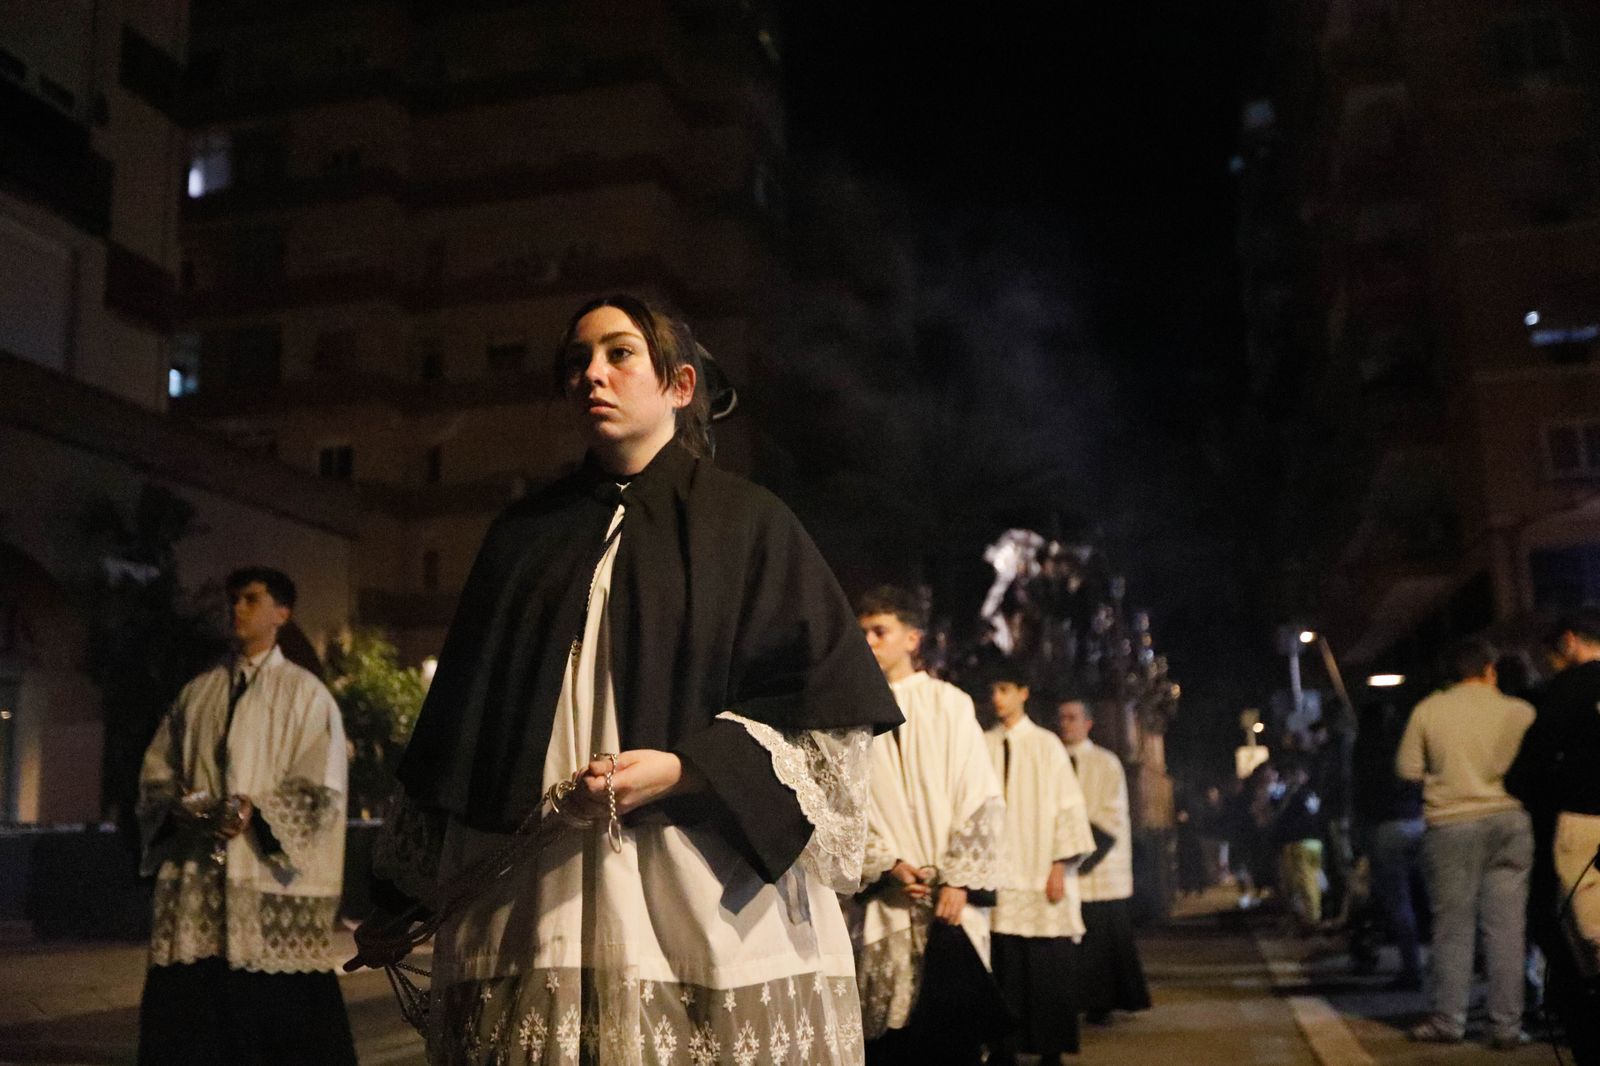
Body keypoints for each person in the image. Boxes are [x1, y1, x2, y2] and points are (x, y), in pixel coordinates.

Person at [361, 294, 902, 1064]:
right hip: (534, 894)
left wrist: (686, 768)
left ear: (680, 385)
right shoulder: (521, 536)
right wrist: (398, 897)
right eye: (577, 360)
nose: (592, 373)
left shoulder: (751, 524)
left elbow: (823, 721)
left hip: (698, 885)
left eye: (619, 354)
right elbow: (459, 723)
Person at [136, 567, 356, 1066]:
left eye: (251, 599)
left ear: (282, 613)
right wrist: (182, 807)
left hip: (268, 883)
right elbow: (156, 774)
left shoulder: (306, 695)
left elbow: (321, 789)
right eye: (233, 598)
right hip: (198, 887)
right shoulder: (198, 693)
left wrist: (257, 812)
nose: (237, 608)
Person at [854, 585, 1007, 1064]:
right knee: (894, 1034)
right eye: (863, 633)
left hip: (948, 899)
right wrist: (887, 863)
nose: (869, 642)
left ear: (912, 639)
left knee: (953, 1028)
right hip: (890, 896)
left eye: (880, 631)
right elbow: (847, 805)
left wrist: (959, 879)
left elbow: (978, 792)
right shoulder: (851, 713)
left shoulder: (949, 704)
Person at [1396, 638, 1535, 1048]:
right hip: (1510, 820)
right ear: (1490, 669)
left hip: (1451, 824)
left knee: (1452, 928)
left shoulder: (1429, 710)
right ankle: (1506, 1026)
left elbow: (1407, 769)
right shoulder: (1520, 711)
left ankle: (1449, 1021)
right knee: (1507, 929)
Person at [984, 676, 1094, 1064]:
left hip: (1039, 864)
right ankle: (1005, 1049)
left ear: (1023, 693)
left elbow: (1068, 807)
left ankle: (1050, 1050)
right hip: (1000, 871)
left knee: (1048, 968)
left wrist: (1059, 865)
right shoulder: (984, 743)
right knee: (1005, 966)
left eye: (1005, 690)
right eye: (993, 691)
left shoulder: (1046, 745)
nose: (998, 699)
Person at [1507, 612, 1600, 1063]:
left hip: (1584, 822)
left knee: (1590, 935)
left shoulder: (1567, 690)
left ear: (1569, 641)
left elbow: (1529, 768)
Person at [1058, 697, 1152, 1022]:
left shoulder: (1105, 762)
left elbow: (1112, 813)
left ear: (1088, 723)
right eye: (1062, 718)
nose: (1065, 724)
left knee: (1101, 939)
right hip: (1063, 862)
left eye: (1072, 718)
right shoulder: (1052, 759)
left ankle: (1102, 1003)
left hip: (1100, 863)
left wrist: (1081, 853)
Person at [1350, 697, 1426, 990]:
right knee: (1438, 901)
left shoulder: (1364, 751)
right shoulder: (1406, 745)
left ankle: (1411, 968)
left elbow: (1359, 795)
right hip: (1417, 822)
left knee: (1398, 902)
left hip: (1383, 828)